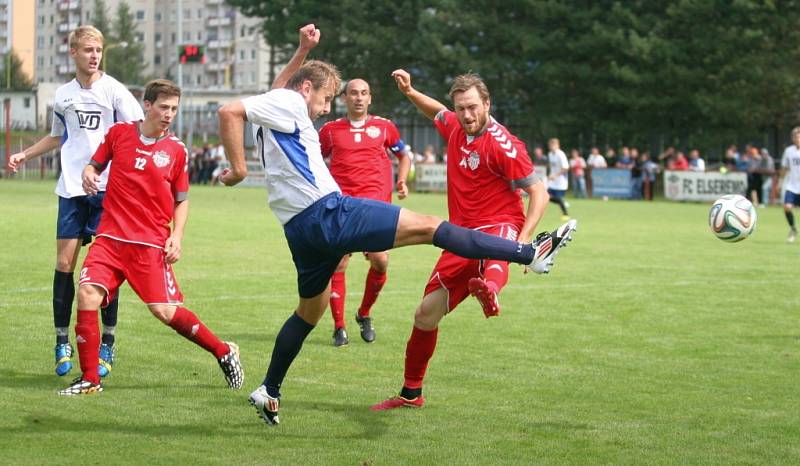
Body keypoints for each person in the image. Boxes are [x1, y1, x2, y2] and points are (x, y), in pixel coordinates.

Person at [216, 24, 576, 426]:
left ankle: (270, 390)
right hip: (328, 212)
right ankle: (531, 252)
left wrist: (301, 50)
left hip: (298, 229)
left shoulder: (276, 103)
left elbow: (279, 87)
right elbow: (229, 110)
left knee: (307, 314)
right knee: (429, 227)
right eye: (327, 98)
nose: (326, 108)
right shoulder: (289, 103)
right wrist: (238, 169)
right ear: (305, 91)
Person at [369, 67, 565, 412]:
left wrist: (523, 241)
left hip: (501, 222)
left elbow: (539, 193)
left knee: (494, 261)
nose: (467, 114)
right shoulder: (456, 126)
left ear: (487, 104)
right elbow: (436, 112)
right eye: (461, 108)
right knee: (425, 315)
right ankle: (411, 394)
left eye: (473, 107)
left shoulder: (505, 145)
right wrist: (410, 92)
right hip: (460, 235)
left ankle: (490, 289)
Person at [58, 79, 243, 395]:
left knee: (164, 312)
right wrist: (89, 172)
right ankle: (90, 379)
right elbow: (94, 165)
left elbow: (182, 199)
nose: (169, 114)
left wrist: (178, 236)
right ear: (147, 105)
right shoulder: (119, 134)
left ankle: (223, 351)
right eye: (163, 107)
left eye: (174, 108)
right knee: (88, 294)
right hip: (110, 239)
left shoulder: (176, 150)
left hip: (149, 244)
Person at [7, 26, 143, 378]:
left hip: (109, 191)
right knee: (65, 264)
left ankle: (107, 344)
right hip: (71, 190)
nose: (94, 55)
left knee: (107, 269)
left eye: (98, 50)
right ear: (73, 53)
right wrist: (25, 154)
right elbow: (57, 137)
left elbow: (137, 130)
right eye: (87, 50)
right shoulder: (63, 96)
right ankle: (61, 341)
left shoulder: (114, 90)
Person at [318, 78, 412, 346]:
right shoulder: (330, 131)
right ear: (344, 98)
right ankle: (339, 327)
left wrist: (401, 180)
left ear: (370, 98)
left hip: (376, 209)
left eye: (364, 93)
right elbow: (313, 158)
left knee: (380, 261)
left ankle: (364, 313)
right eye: (353, 93)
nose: (359, 98)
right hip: (343, 208)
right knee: (339, 263)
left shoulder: (384, 127)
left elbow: (404, 155)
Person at [779, 127, 800, 242]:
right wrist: (780, 182)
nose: (797, 139)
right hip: (792, 186)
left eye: (799, 137)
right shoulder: (789, 151)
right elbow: (784, 168)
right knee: (787, 208)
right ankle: (793, 229)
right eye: (796, 137)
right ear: (792, 138)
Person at [547, 138, 570, 220]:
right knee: (546, 196)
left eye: (554, 145)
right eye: (551, 145)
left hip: (561, 181)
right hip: (552, 181)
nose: (552, 147)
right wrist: (550, 175)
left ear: (558, 145)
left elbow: (566, 168)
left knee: (558, 198)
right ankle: (563, 202)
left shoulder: (561, 154)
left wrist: (555, 175)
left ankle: (566, 214)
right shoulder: (550, 154)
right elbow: (552, 167)